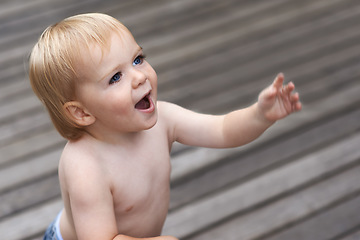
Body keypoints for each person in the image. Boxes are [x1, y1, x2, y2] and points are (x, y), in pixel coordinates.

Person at [29, 13, 302, 240]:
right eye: (115, 77)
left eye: (137, 59)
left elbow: (222, 130)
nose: (138, 76)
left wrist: (260, 115)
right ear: (82, 112)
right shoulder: (85, 165)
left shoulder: (165, 121)